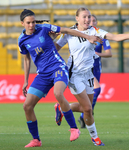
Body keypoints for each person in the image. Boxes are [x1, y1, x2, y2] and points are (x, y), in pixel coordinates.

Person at [53, 7, 129, 146]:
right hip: (74, 74)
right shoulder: (69, 33)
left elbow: (114, 37)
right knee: (88, 108)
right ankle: (95, 137)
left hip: (89, 74)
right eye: (84, 17)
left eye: (88, 17)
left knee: (85, 109)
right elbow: (55, 48)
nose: (87, 19)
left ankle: (62, 108)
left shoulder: (95, 30)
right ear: (77, 18)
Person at [18, 9, 102, 148]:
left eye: (33, 22)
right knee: (27, 106)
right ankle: (36, 140)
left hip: (58, 68)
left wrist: (87, 37)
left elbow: (67, 31)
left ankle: (74, 129)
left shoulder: (44, 27)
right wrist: (25, 80)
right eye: (28, 23)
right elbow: (26, 59)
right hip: (43, 74)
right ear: (22, 23)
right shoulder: (22, 40)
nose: (32, 25)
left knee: (58, 93)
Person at [78, 14, 112, 128]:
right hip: (86, 67)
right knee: (96, 90)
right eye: (89, 20)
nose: (91, 22)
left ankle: (85, 115)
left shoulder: (101, 36)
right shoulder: (83, 35)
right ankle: (85, 114)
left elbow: (109, 53)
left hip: (97, 67)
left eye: (94, 20)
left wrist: (98, 54)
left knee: (92, 93)